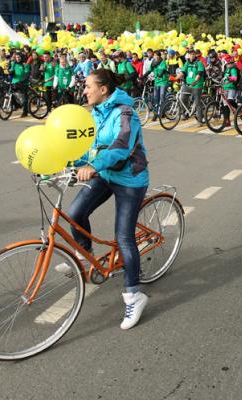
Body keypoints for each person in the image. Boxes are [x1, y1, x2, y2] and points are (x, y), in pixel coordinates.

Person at [60, 68, 150, 330]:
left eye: (88, 86)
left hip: (130, 179)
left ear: (103, 89)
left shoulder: (126, 113)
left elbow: (121, 146)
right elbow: (90, 147)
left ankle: (134, 295)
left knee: (123, 237)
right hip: (105, 172)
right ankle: (87, 259)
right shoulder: (96, 112)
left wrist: (94, 167)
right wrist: (66, 163)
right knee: (76, 213)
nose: (84, 90)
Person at [177, 49, 206, 122]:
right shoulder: (187, 63)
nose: (192, 55)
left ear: (195, 55)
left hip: (197, 85)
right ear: (188, 55)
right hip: (188, 85)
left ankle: (199, 120)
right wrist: (175, 78)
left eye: (193, 54)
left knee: (197, 102)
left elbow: (199, 73)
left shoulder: (199, 63)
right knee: (182, 98)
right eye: (190, 54)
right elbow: (183, 72)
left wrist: (195, 81)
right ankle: (185, 113)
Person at [9, 51, 30, 117]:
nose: (17, 58)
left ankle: (25, 112)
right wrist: (10, 72)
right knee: (12, 95)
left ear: (21, 57)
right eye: (16, 57)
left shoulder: (25, 65)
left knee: (24, 98)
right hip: (14, 82)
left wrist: (22, 81)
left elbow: (27, 75)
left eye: (19, 57)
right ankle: (17, 105)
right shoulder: (13, 64)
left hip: (23, 83)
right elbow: (11, 72)